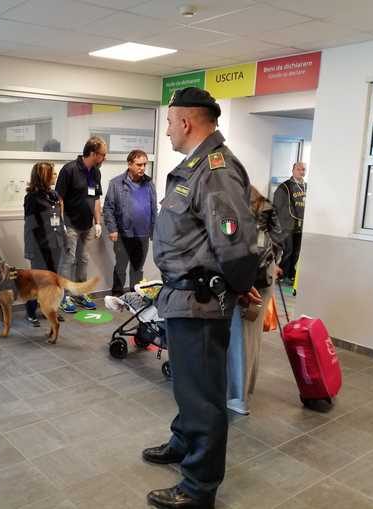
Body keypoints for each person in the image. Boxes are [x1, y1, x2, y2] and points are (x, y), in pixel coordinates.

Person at [144, 87, 260, 509]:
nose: (170, 130)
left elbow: (235, 242)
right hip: (181, 299)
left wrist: (237, 281)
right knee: (187, 386)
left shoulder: (215, 169)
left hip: (201, 303)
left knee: (203, 395)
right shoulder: (194, 167)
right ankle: (183, 441)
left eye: (171, 122)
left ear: (187, 121)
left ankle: (198, 488)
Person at [226, 186, 286, 415]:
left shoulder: (238, 207)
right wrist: (274, 262)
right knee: (251, 339)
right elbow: (279, 238)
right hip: (265, 277)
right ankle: (245, 391)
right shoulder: (262, 202)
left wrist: (241, 283)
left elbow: (247, 249)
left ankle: (237, 397)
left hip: (249, 283)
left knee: (239, 340)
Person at [55, 136, 106, 313]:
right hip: (70, 224)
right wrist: (60, 222)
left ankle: (80, 294)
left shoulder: (95, 172)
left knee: (83, 260)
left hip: (87, 225)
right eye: (102, 155)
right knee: (68, 260)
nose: (104, 158)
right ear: (92, 153)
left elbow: (96, 198)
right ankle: (63, 296)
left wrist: (98, 222)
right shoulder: (69, 170)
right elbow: (59, 198)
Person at [103, 149, 157, 295]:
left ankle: (135, 295)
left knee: (137, 267)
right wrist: (112, 229)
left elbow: (153, 208)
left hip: (143, 234)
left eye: (144, 164)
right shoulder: (116, 183)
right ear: (129, 164)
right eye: (139, 164)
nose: (143, 168)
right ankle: (117, 294)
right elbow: (108, 207)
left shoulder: (149, 183)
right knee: (120, 266)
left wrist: (155, 231)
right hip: (123, 233)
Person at [23, 162, 65, 327]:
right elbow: (29, 225)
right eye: (52, 173)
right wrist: (30, 249)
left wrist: (64, 238)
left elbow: (59, 219)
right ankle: (31, 311)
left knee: (53, 281)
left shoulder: (53, 195)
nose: (55, 176)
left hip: (55, 244)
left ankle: (51, 309)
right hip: (39, 246)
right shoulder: (32, 198)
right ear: (43, 176)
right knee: (37, 282)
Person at [273, 162, 306, 283]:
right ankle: (281, 273)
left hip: (300, 226)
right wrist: (278, 223)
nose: (301, 172)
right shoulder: (284, 187)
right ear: (293, 170)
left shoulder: (306, 187)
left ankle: (291, 273)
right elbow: (276, 206)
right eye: (299, 169)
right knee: (288, 250)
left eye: (303, 170)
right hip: (286, 225)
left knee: (296, 252)